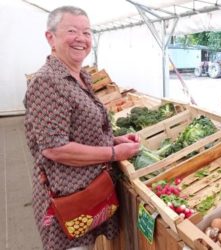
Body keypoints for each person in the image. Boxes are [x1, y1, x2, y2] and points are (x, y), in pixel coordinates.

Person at [24, 6, 140, 250]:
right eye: (72, 31)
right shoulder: (48, 81)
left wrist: (113, 139)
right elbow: (55, 148)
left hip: (88, 193)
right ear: (50, 37)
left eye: (87, 33)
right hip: (67, 200)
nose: (81, 39)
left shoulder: (81, 76)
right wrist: (113, 153)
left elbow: (78, 129)